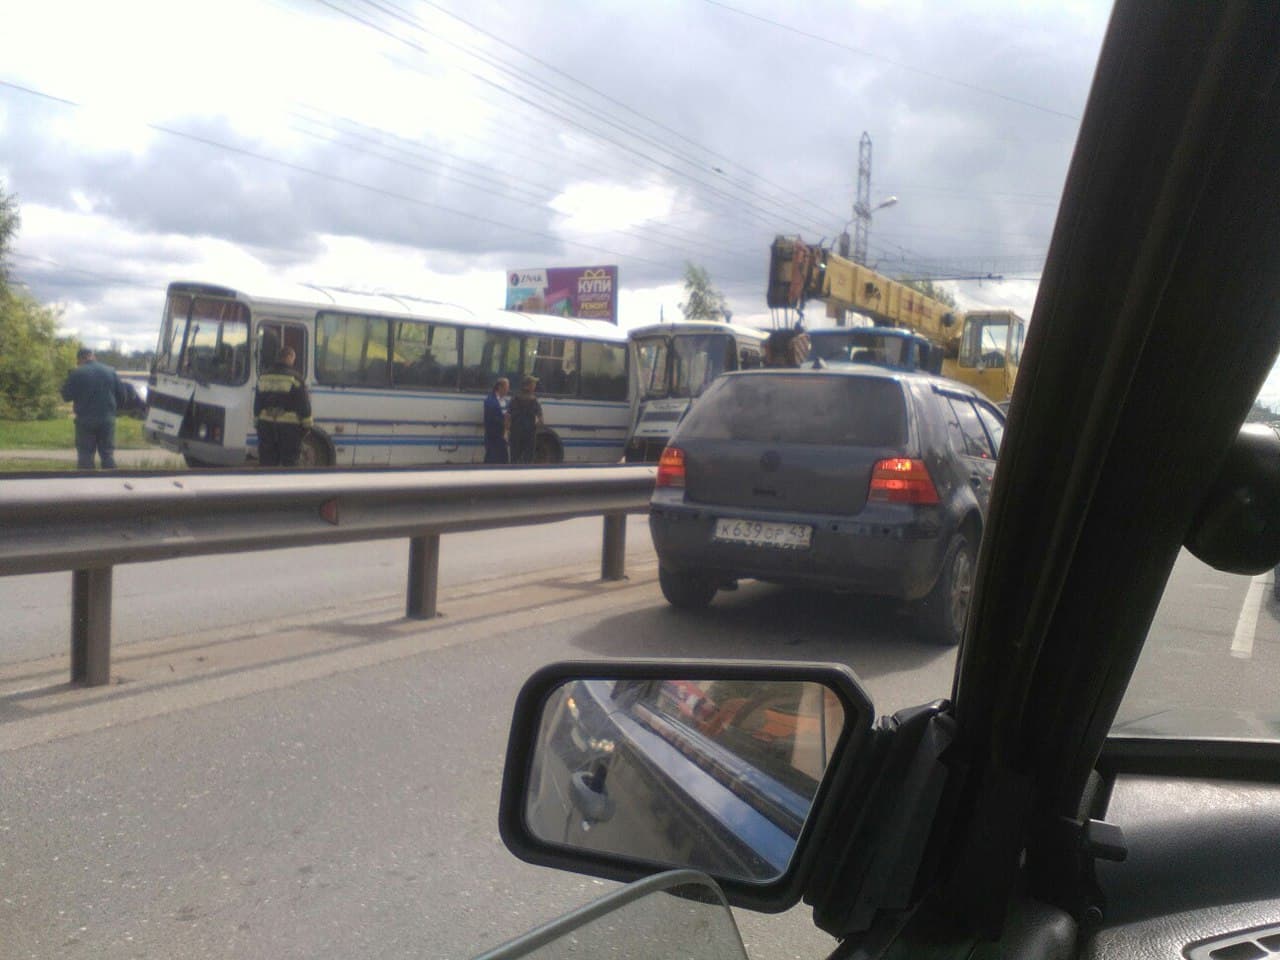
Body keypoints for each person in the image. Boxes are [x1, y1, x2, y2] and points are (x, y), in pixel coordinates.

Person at [61, 347, 124, 470]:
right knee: (107, 454)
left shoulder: (77, 373)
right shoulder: (110, 371)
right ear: (93, 356)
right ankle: (112, 482)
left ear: (80, 359)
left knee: (85, 455)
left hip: (85, 420)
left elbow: (66, 396)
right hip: (107, 419)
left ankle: (86, 484)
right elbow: (122, 394)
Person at [253, 346, 312, 467]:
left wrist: (257, 423)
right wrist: (307, 427)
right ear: (289, 357)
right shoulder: (295, 379)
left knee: (267, 462)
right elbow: (304, 405)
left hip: (266, 427)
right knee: (289, 463)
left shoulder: (264, 377)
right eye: (293, 358)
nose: (293, 362)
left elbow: (257, 404)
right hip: (289, 430)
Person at [508, 375, 544, 465]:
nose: (535, 386)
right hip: (529, 432)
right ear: (529, 385)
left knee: (515, 456)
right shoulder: (534, 399)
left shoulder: (515, 398)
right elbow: (540, 419)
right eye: (534, 384)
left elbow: (508, 414)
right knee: (528, 458)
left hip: (515, 431)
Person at [484, 377, 511, 464]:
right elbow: (490, 418)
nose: (508, 390)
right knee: (491, 459)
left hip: (503, 435)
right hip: (493, 436)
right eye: (506, 388)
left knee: (503, 459)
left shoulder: (506, 401)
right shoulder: (490, 400)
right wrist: (504, 420)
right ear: (500, 387)